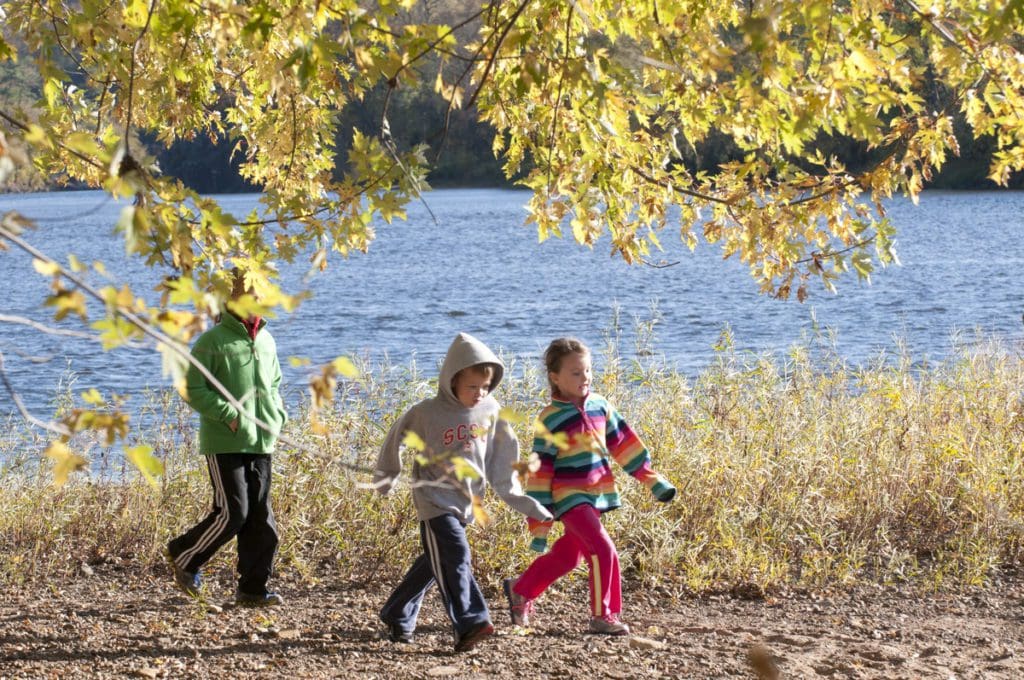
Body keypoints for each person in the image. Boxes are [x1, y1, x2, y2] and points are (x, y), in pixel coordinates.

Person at [373, 332, 553, 652]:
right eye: (472, 387)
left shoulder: (491, 410)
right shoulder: (427, 412)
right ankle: (471, 622)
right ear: (452, 380)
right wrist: (387, 475)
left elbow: (503, 460)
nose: (479, 393)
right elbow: (396, 435)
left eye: (485, 387)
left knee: (436, 560)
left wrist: (523, 501)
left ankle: (397, 613)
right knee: (456, 554)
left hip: (466, 501)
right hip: (433, 500)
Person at [502, 337, 676, 635]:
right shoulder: (550, 418)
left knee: (570, 556)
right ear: (555, 378)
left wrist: (651, 478)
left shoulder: (600, 406)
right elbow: (541, 468)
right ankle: (603, 615)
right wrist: (540, 517)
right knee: (603, 549)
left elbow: (624, 444)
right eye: (575, 373)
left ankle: (521, 589)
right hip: (568, 496)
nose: (585, 378)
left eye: (588, 371)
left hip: (597, 496)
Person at [165, 268, 289, 607]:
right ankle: (185, 556)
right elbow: (191, 388)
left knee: (262, 520)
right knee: (233, 513)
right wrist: (229, 415)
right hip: (225, 443)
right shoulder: (213, 341)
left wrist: (278, 414)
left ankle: (252, 589)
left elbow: (274, 384)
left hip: (262, 440)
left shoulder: (266, 339)